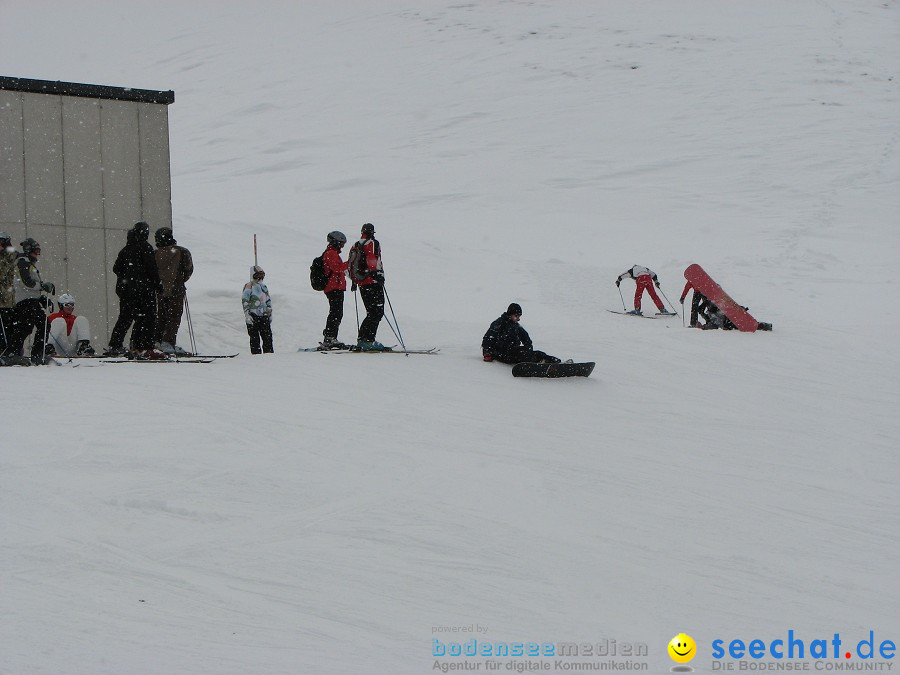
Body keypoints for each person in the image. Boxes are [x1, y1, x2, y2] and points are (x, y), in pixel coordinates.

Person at [107, 222, 167, 360]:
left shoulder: (126, 249)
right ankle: (144, 346)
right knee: (147, 318)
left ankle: (116, 345)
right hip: (144, 290)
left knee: (125, 318)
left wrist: (127, 277)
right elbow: (152, 269)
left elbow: (116, 268)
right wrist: (158, 285)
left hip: (127, 291)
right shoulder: (145, 248)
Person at [2, 238, 54, 365]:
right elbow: (27, 283)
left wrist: (41, 297)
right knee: (26, 326)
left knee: (43, 324)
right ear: (29, 250)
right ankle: (13, 353)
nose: (37, 254)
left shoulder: (29, 264)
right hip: (24, 301)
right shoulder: (22, 262)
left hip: (31, 300)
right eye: (36, 251)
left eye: (38, 251)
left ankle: (38, 354)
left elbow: (31, 287)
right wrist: (43, 286)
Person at [153, 227, 193, 355]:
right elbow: (188, 269)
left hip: (160, 290)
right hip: (176, 289)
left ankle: (158, 341)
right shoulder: (182, 252)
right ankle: (168, 342)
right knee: (174, 317)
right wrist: (180, 281)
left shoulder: (155, 253)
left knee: (161, 316)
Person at [348, 223, 387, 351]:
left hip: (361, 283)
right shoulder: (372, 243)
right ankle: (368, 340)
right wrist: (378, 275)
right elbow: (373, 260)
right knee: (377, 311)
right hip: (372, 281)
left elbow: (351, 265)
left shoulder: (356, 245)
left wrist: (355, 281)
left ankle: (363, 339)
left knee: (371, 312)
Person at [481, 303, 561, 364]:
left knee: (537, 353)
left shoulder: (515, 325)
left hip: (512, 351)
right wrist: (487, 353)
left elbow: (524, 336)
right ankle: (540, 363)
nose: (518, 318)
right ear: (510, 314)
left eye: (519, 316)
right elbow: (488, 338)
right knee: (527, 355)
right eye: (516, 316)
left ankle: (554, 362)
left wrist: (528, 346)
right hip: (501, 353)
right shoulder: (499, 323)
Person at [320, 231, 348, 348]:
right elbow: (337, 268)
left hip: (335, 287)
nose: (342, 246)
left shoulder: (332, 253)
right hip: (334, 287)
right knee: (336, 312)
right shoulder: (331, 253)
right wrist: (350, 263)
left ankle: (331, 337)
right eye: (341, 243)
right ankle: (330, 337)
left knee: (336, 312)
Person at [242, 265, 273, 354]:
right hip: (253, 316)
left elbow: (268, 300)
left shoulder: (264, 287)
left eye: (262, 276)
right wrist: (247, 314)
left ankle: (269, 355)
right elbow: (245, 300)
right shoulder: (249, 286)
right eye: (257, 276)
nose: (260, 278)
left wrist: (269, 312)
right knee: (255, 339)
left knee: (267, 338)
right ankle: (256, 356)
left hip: (264, 316)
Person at [0, 232, 16, 355]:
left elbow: (4, 274)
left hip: (6, 300)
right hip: (5, 298)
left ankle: (7, 350)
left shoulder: (9, 257)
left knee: (7, 327)